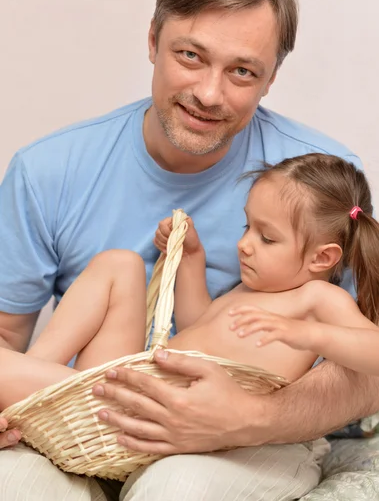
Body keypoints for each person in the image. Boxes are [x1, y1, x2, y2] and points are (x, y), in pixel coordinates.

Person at [0, 0, 375, 501]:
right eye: (190, 56)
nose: (209, 94)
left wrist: (252, 416)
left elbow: (370, 373)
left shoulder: (318, 186)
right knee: (13, 481)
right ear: (153, 41)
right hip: (116, 400)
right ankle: (45, 396)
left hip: (255, 433)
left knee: (176, 487)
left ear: (271, 78)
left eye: (243, 70)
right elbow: (11, 329)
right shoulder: (48, 170)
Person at [2, 152, 379, 415]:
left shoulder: (315, 299)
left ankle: (27, 386)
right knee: (120, 263)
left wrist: (309, 336)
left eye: (267, 238)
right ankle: (36, 378)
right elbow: (196, 324)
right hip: (126, 379)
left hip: (147, 408)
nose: (244, 244)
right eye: (248, 227)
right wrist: (191, 256)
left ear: (322, 258)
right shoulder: (250, 290)